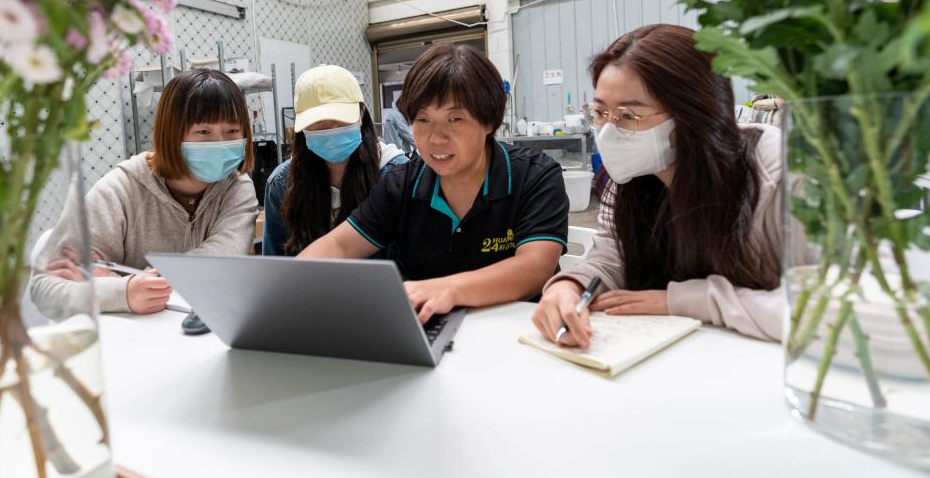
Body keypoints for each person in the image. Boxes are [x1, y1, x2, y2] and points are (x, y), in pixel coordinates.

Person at [532, 24, 782, 345]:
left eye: (628, 116)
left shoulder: (773, 167)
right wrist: (569, 286)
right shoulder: (630, 180)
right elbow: (612, 257)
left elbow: (829, 310)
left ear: (693, 114)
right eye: (600, 112)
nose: (607, 132)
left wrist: (685, 300)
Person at [299, 43, 569, 323]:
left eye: (455, 119)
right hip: (434, 337)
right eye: (423, 120)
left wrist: (447, 289)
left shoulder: (534, 175)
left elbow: (535, 268)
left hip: (521, 335)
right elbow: (339, 246)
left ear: (489, 121)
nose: (436, 138)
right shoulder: (402, 184)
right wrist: (284, 289)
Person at [31, 68, 259, 315]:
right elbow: (44, 288)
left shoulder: (238, 187)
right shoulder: (119, 189)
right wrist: (123, 292)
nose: (220, 143)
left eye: (232, 132)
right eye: (203, 132)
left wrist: (109, 279)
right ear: (171, 134)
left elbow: (222, 262)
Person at [263, 64, 407, 256]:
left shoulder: (395, 175)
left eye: (339, 120)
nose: (329, 130)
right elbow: (276, 267)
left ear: (361, 113)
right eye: (317, 122)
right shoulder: (282, 184)